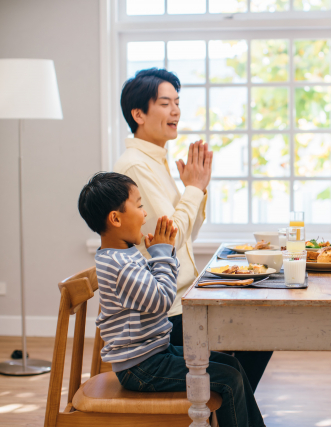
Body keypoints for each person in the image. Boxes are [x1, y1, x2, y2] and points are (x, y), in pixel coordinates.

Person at [115, 68, 272, 390]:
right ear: (138, 114)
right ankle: (225, 407)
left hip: (185, 296)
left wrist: (197, 188)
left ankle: (226, 409)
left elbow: (189, 234)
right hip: (169, 311)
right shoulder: (135, 166)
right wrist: (194, 188)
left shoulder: (155, 161)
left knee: (262, 330)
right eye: (164, 103)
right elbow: (168, 241)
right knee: (258, 333)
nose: (175, 110)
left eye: (177, 102)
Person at [77, 172, 265, 427]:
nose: (145, 214)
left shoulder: (124, 255)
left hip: (154, 354)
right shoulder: (120, 264)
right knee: (228, 378)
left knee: (231, 364)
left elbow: (155, 288)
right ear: (115, 218)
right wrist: (163, 253)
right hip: (142, 367)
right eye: (140, 205)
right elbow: (163, 300)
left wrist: (160, 255)